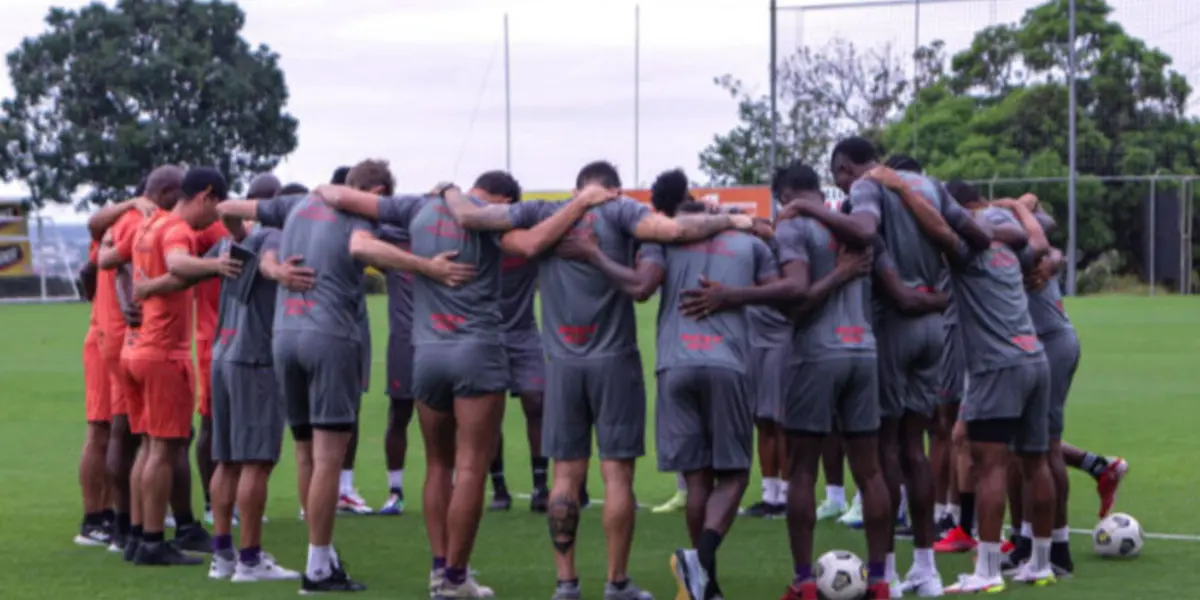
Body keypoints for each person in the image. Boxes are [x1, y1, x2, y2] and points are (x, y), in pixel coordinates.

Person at [447, 160, 754, 600]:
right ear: (613, 190)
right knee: (616, 476)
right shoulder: (622, 213)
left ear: (578, 188)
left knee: (566, 475)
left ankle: (566, 583)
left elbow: (472, 217)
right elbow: (674, 234)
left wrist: (446, 189)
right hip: (615, 361)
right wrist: (732, 218)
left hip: (562, 363)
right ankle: (616, 582)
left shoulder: (543, 213)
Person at [218, 159, 472, 593]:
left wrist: (272, 265)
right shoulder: (359, 214)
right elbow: (360, 248)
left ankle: (323, 553)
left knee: (305, 454)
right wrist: (426, 267)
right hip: (329, 338)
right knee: (329, 458)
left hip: (284, 336)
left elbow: (226, 208)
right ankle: (317, 567)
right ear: (372, 189)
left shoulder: (294, 204)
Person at [679, 162, 892, 600]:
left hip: (817, 354)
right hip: (863, 350)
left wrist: (729, 295)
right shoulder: (852, 224)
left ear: (784, 196)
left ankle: (804, 582)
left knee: (801, 471)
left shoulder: (795, 228)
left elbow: (797, 298)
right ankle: (881, 581)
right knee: (870, 472)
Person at [809, 139, 991, 594]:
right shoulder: (929, 185)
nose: (843, 187)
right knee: (917, 447)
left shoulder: (868, 188)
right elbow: (978, 241)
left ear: (846, 166)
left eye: (839, 178)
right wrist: (944, 287)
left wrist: (815, 214)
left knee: (884, 449)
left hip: (893, 326)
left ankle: (885, 570)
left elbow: (865, 232)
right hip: (934, 326)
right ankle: (926, 570)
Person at [892, 178, 1059, 592]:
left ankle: (986, 570)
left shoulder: (967, 254)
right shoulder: (1013, 250)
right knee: (1035, 462)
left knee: (990, 467)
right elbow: (1039, 241)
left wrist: (900, 189)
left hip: (995, 366)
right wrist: (1019, 209)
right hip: (1034, 358)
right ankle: (1041, 563)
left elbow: (937, 228)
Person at [193, 173, 305, 582]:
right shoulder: (277, 233)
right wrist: (281, 275)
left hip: (223, 354)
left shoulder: (235, 239)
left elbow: (226, 217)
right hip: (254, 359)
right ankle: (250, 559)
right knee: (256, 461)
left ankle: (222, 556)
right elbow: (273, 263)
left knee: (227, 459)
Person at [126, 166, 236, 566]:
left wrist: (152, 287)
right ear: (205, 195)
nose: (215, 217)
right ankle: (154, 540)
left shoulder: (148, 225)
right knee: (164, 449)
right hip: (163, 353)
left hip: (136, 349)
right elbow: (178, 264)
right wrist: (215, 266)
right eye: (217, 206)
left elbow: (144, 273)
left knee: (149, 446)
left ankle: (140, 534)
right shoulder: (177, 230)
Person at [477, 170, 552, 513]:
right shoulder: (474, 234)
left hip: (523, 332)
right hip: (485, 334)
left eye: (483, 198)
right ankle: (499, 488)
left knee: (537, 402)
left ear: (504, 203)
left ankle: (541, 486)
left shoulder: (527, 239)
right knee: (489, 413)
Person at [90, 179, 159, 553]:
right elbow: (115, 264)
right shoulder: (139, 221)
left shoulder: (119, 223)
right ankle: (130, 525)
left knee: (123, 433)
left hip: (109, 332)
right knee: (135, 435)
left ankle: (124, 522)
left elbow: (100, 255)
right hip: (129, 336)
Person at [326, 164, 375, 517]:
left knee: (344, 410)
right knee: (341, 411)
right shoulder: (349, 225)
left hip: (343, 322)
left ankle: (338, 489)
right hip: (339, 327)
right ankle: (337, 490)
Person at [77, 242, 114, 547]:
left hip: (127, 342)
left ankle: (112, 511)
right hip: (105, 342)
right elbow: (88, 268)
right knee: (101, 428)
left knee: (124, 432)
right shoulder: (122, 224)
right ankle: (93, 519)